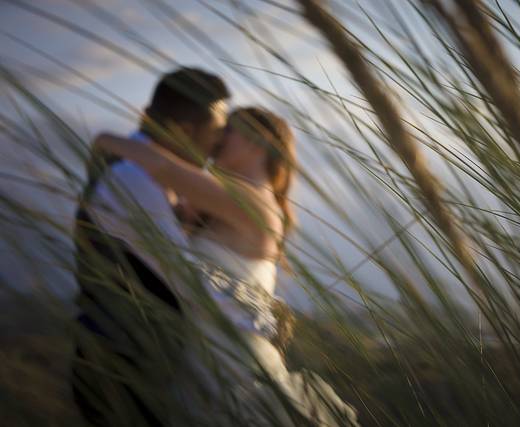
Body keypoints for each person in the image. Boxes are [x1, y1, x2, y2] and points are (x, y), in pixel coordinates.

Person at [91, 107, 360, 426]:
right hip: (208, 371)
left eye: (228, 130)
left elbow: (161, 167)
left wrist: (105, 139)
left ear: (258, 141)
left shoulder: (257, 202)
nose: (217, 136)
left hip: (238, 377)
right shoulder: (226, 206)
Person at [71, 66, 230, 426]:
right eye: (216, 132)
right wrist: (261, 311)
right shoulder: (132, 178)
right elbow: (188, 281)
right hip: (122, 372)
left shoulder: (141, 170)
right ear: (182, 131)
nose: (219, 144)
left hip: (135, 366)